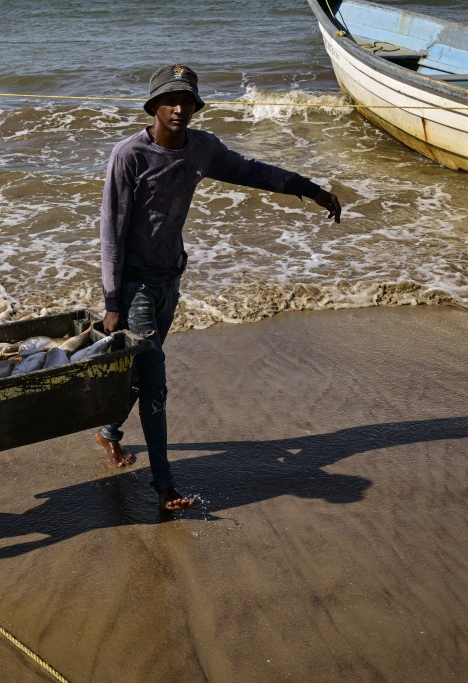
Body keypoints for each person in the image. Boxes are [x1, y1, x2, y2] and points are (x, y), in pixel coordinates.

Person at [96, 64, 341, 511]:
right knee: (154, 382)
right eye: (169, 101)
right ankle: (164, 485)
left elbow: (252, 171)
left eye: (186, 101)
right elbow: (111, 232)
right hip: (135, 289)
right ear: (153, 108)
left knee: (140, 374)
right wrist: (112, 301)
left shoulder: (202, 149)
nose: (178, 108)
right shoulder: (128, 156)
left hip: (170, 279)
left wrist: (311, 190)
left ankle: (109, 432)